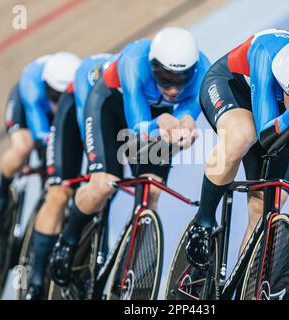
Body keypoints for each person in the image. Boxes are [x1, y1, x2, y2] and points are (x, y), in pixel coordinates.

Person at [49, 27, 211, 286]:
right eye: (165, 78)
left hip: (156, 120)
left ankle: (129, 269)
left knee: (152, 192)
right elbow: (136, 127)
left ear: (192, 71)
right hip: (110, 108)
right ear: (152, 65)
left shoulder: (203, 69)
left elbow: (189, 114)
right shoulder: (133, 60)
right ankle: (67, 240)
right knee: (103, 184)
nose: (172, 89)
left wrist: (186, 128)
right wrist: (165, 122)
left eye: (181, 80)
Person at [185, 28, 289, 269]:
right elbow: (265, 137)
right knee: (241, 136)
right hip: (232, 86)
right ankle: (203, 222)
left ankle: (244, 285)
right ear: (285, 83)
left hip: (276, 110)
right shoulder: (265, 55)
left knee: (269, 202)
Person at [24, 54, 116, 299]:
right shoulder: (80, 86)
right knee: (59, 192)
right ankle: (35, 283)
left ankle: (92, 257)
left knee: (104, 189)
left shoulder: (129, 81)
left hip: (108, 112)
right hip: (78, 110)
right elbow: (88, 127)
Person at [0, 52, 81, 239]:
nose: (58, 102)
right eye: (54, 96)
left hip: (56, 114)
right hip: (26, 105)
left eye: (64, 97)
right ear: (47, 88)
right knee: (22, 147)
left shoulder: (76, 84)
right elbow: (41, 135)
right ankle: (1, 195)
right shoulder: (33, 87)